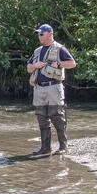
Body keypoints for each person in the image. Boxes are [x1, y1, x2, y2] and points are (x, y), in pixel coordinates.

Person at [27, 24, 76, 155]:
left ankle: (63, 146)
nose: (39, 36)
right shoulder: (37, 51)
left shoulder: (59, 48)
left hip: (54, 87)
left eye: (41, 34)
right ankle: (45, 148)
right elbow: (29, 68)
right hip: (39, 89)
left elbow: (72, 63)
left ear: (49, 33)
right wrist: (35, 65)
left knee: (57, 117)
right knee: (41, 118)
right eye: (38, 34)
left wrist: (59, 64)